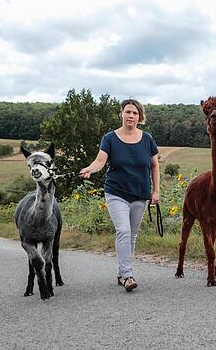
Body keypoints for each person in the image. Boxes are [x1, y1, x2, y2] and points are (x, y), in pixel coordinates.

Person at [80, 99, 159, 292]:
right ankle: (127, 275)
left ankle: (122, 272)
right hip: (116, 193)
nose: (131, 116)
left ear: (140, 117)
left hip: (140, 194)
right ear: (121, 114)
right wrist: (90, 169)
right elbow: (100, 160)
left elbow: (154, 166)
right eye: (128, 112)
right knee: (123, 231)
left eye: (135, 113)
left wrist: (156, 191)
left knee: (131, 235)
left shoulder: (147, 139)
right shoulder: (110, 138)